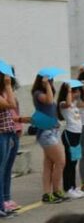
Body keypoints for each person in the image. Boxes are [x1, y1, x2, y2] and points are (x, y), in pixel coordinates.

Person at [32, 74, 69, 203]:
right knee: (61, 161)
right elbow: (47, 101)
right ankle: (56, 190)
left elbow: (50, 107)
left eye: (51, 81)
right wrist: (47, 85)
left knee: (49, 163)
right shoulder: (38, 93)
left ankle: (47, 194)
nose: (50, 83)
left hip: (53, 130)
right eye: (48, 81)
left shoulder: (49, 93)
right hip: (45, 132)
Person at [58, 82, 84, 199]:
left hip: (77, 135)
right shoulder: (63, 103)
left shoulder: (75, 104)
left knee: (75, 161)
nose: (76, 94)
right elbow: (67, 103)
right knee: (69, 163)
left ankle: (73, 186)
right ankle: (68, 188)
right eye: (74, 91)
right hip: (69, 134)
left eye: (77, 91)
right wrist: (68, 90)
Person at [0, 73, 18, 216]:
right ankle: (1, 206)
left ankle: (4, 202)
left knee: (5, 170)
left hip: (6, 134)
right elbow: (11, 105)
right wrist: (7, 85)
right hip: (1, 135)